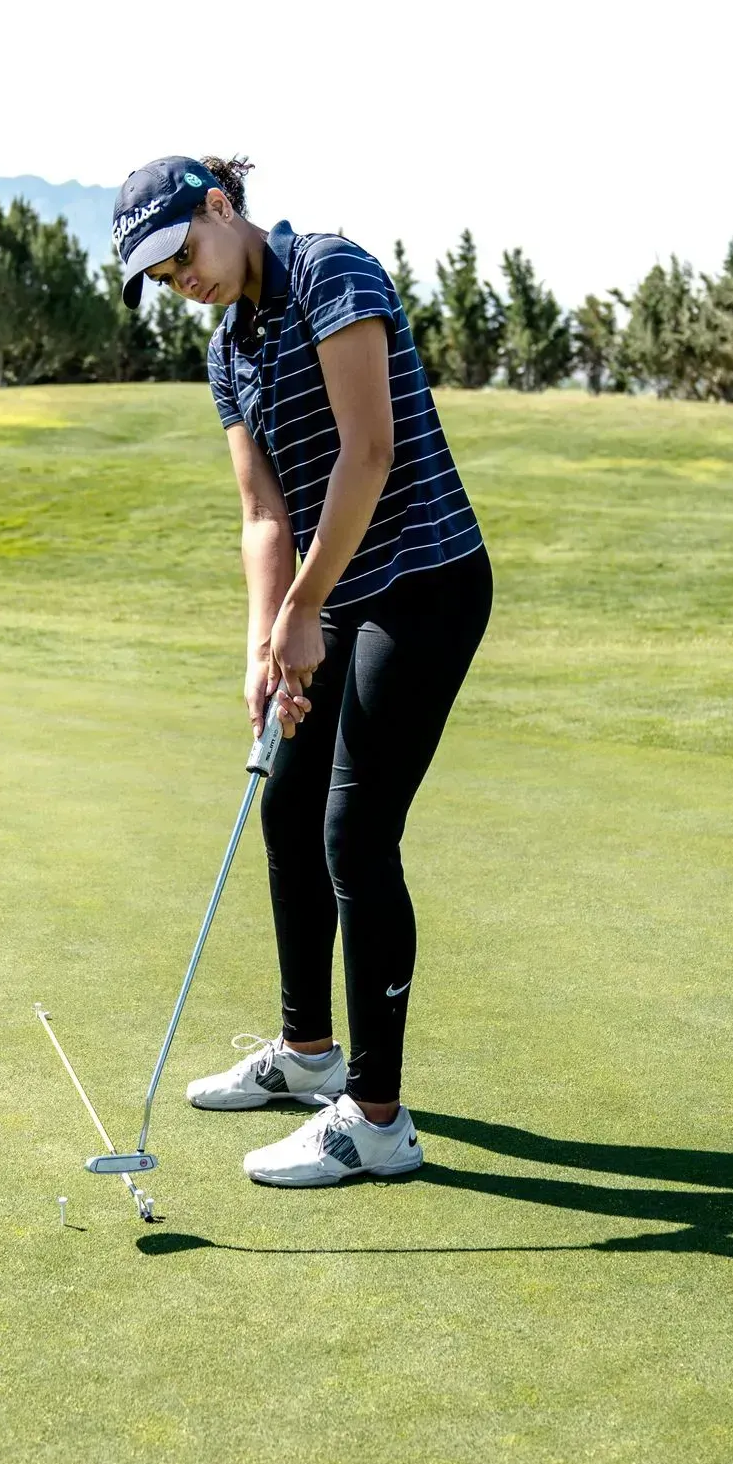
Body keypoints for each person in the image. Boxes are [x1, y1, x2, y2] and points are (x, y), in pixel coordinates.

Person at [110, 151, 492, 1188]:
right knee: (287, 802)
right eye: (163, 275)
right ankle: (309, 1053)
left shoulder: (332, 270)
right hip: (331, 596)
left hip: (424, 581)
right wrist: (264, 644)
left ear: (221, 206)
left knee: (355, 832)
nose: (182, 280)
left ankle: (376, 1119)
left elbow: (367, 453)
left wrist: (304, 609)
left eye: (185, 253)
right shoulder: (228, 350)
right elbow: (263, 514)